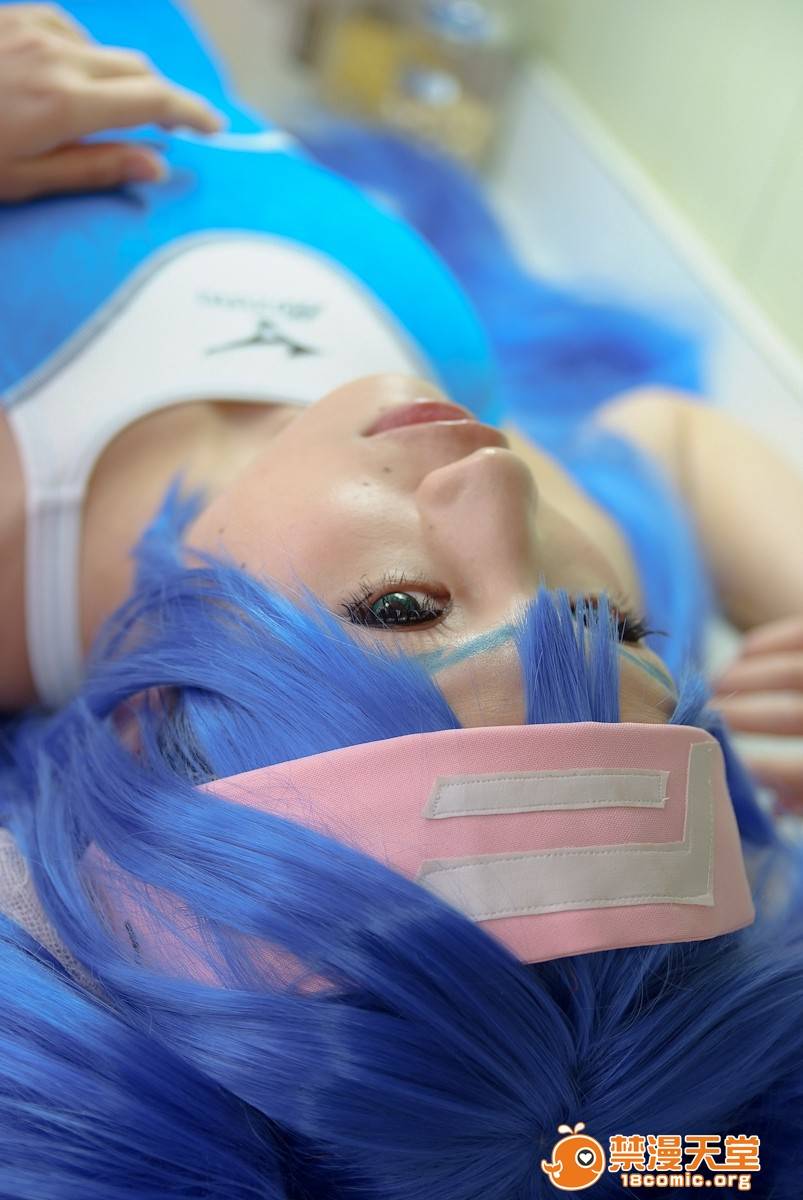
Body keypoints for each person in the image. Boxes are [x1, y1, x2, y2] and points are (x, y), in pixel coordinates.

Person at [1, 4, 802, 1197]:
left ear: (148, 724)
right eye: (617, 630)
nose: (501, 491)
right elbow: (665, 441)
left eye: (400, 608)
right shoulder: (547, 604)